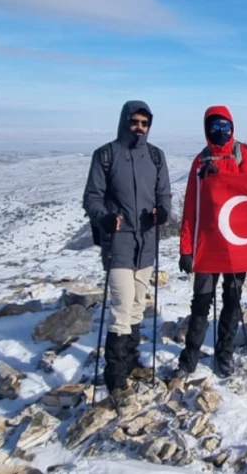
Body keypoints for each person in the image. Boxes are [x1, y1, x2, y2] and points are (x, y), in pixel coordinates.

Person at [82, 100, 172, 398]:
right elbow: (92, 197)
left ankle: (131, 362)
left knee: (136, 305)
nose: (139, 128)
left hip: (146, 242)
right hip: (119, 242)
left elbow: (164, 194)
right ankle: (115, 377)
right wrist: (105, 218)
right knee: (122, 307)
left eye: (145, 123)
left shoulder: (156, 157)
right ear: (124, 121)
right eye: (135, 122)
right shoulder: (106, 155)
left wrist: (162, 213)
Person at [176, 105, 247, 377]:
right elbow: (190, 208)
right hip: (207, 243)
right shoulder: (200, 162)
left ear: (232, 127)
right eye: (215, 126)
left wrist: (220, 177)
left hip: (236, 241)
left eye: (225, 126)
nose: (221, 131)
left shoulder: (242, 154)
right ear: (207, 128)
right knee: (201, 300)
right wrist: (186, 248)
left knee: (232, 299)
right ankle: (190, 356)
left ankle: (225, 354)